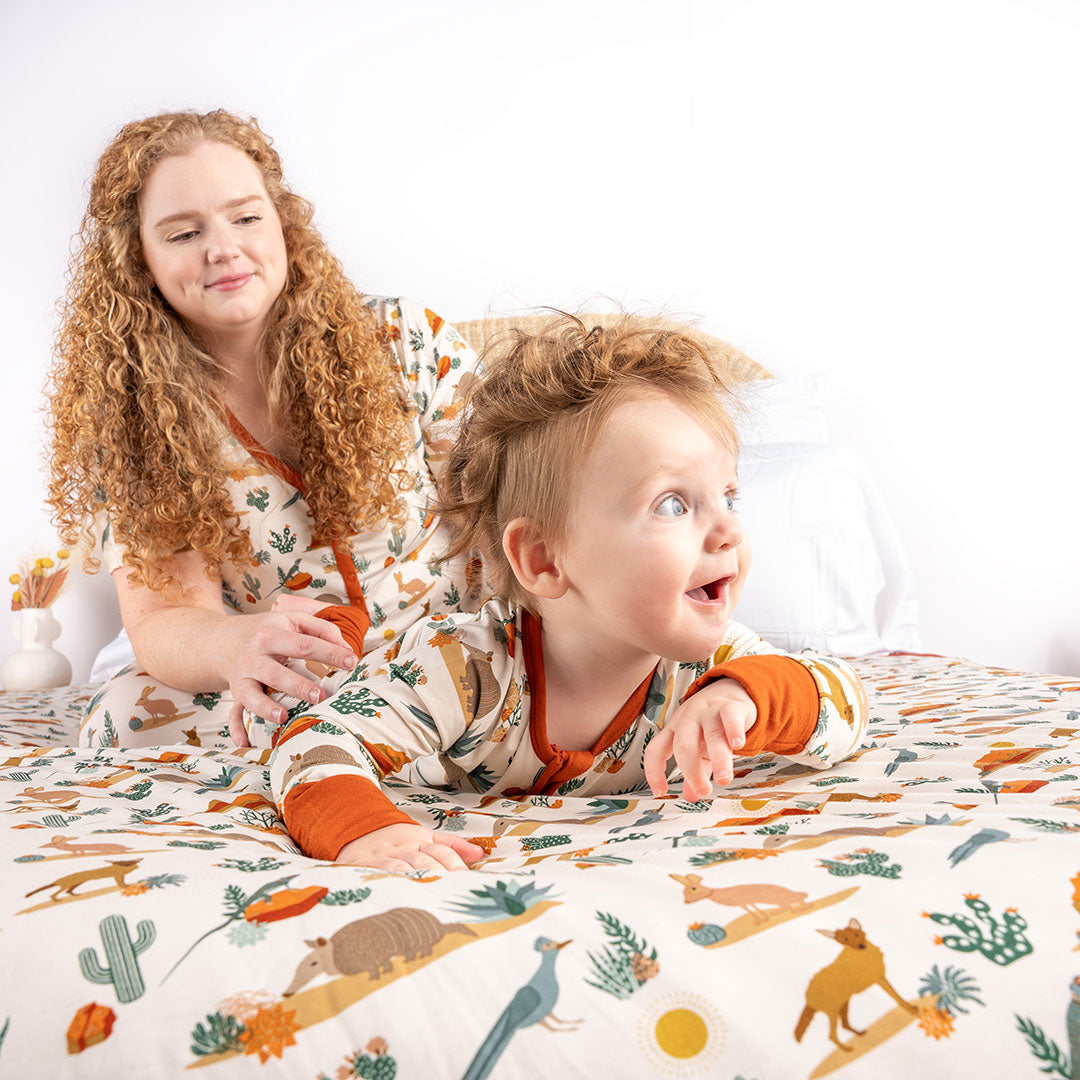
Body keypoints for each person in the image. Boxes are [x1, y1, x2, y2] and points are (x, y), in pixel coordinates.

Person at [234, 314, 870, 873]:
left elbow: (847, 705)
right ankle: (342, 629)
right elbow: (315, 739)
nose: (730, 530)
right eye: (674, 503)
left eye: (729, 497)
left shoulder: (713, 667)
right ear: (543, 559)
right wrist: (366, 832)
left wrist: (748, 699)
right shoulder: (460, 666)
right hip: (368, 670)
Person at [45, 109, 484, 749]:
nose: (223, 248)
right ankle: (358, 745)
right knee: (120, 715)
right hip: (299, 682)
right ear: (137, 262)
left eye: (246, 217)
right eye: (182, 232)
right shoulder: (135, 419)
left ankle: (359, 745)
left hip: (457, 659)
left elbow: (509, 511)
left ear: (284, 225)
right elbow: (167, 616)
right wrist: (235, 644)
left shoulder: (405, 341)